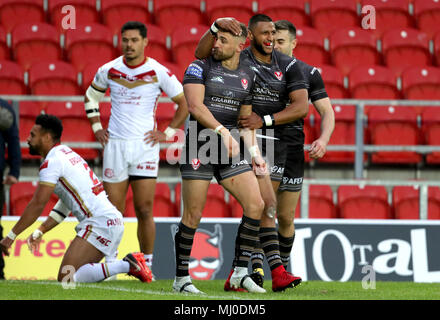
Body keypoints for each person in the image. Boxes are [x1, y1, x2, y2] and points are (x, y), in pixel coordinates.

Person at [194, 14, 308, 292]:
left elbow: (301, 105)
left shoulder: (286, 64)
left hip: (271, 142)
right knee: (261, 206)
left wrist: (267, 121)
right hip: (239, 139)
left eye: (273, 33)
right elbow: (200, 55)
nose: (270, 38)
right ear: (251, 38)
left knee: (262, 207)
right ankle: (267, 271)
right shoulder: (238, 58)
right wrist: (215, 29)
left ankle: (244, 270)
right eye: (264, 33)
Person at [84, 21, 189, 272]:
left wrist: (168, 133)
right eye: (125, 40)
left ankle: (147, 265)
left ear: (145, 42)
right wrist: (97, 127)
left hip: (145, 146)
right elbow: (91, 97)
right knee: (113, 210)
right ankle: (111, 264)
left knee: (144, 208)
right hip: (116, 146)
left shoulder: (157, 71)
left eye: (134, 40)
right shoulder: (109, 69)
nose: (129, 45)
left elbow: (184, 102)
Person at [0, 114, 152, 283]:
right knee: (76, 281)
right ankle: (124, 265)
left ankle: (128, 264)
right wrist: (41, 230)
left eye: (33, 135)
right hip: (111, 220)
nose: (27, 139)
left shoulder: (51, 163)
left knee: (67, 277)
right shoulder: (67, 153)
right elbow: (66, 204)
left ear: (47, 137)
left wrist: (11, 236)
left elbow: (37, 204)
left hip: (98, 223)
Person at [173, 23, 267, 294]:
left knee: (255, 204)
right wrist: (223, 132)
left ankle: (239, 273)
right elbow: (195, 106)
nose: (216, 44)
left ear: (240, 46)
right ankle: (181, 280)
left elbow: (245, 121)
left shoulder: (248, 74)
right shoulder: (199, 68)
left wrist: (255, 155)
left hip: (230, 149)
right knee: (193, 214)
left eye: (223, 41)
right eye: (216, 39)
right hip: (200, 146)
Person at [253, 19, 334, 272]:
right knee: (264, 208)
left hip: (293, 149)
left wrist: (323, 139)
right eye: (272, 40)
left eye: (280, 41)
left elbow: (327, 112)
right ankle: (254, 269)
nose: (274, 45)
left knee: (286, 217)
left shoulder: (308, 73)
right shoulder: (258, 68)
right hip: (265, 144)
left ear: (294, 43)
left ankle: (283, 268)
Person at [0, 99, 21, 280]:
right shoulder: (3, 108)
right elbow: (14, 139)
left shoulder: (4, 109)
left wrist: (14, 171)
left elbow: (13, 139)